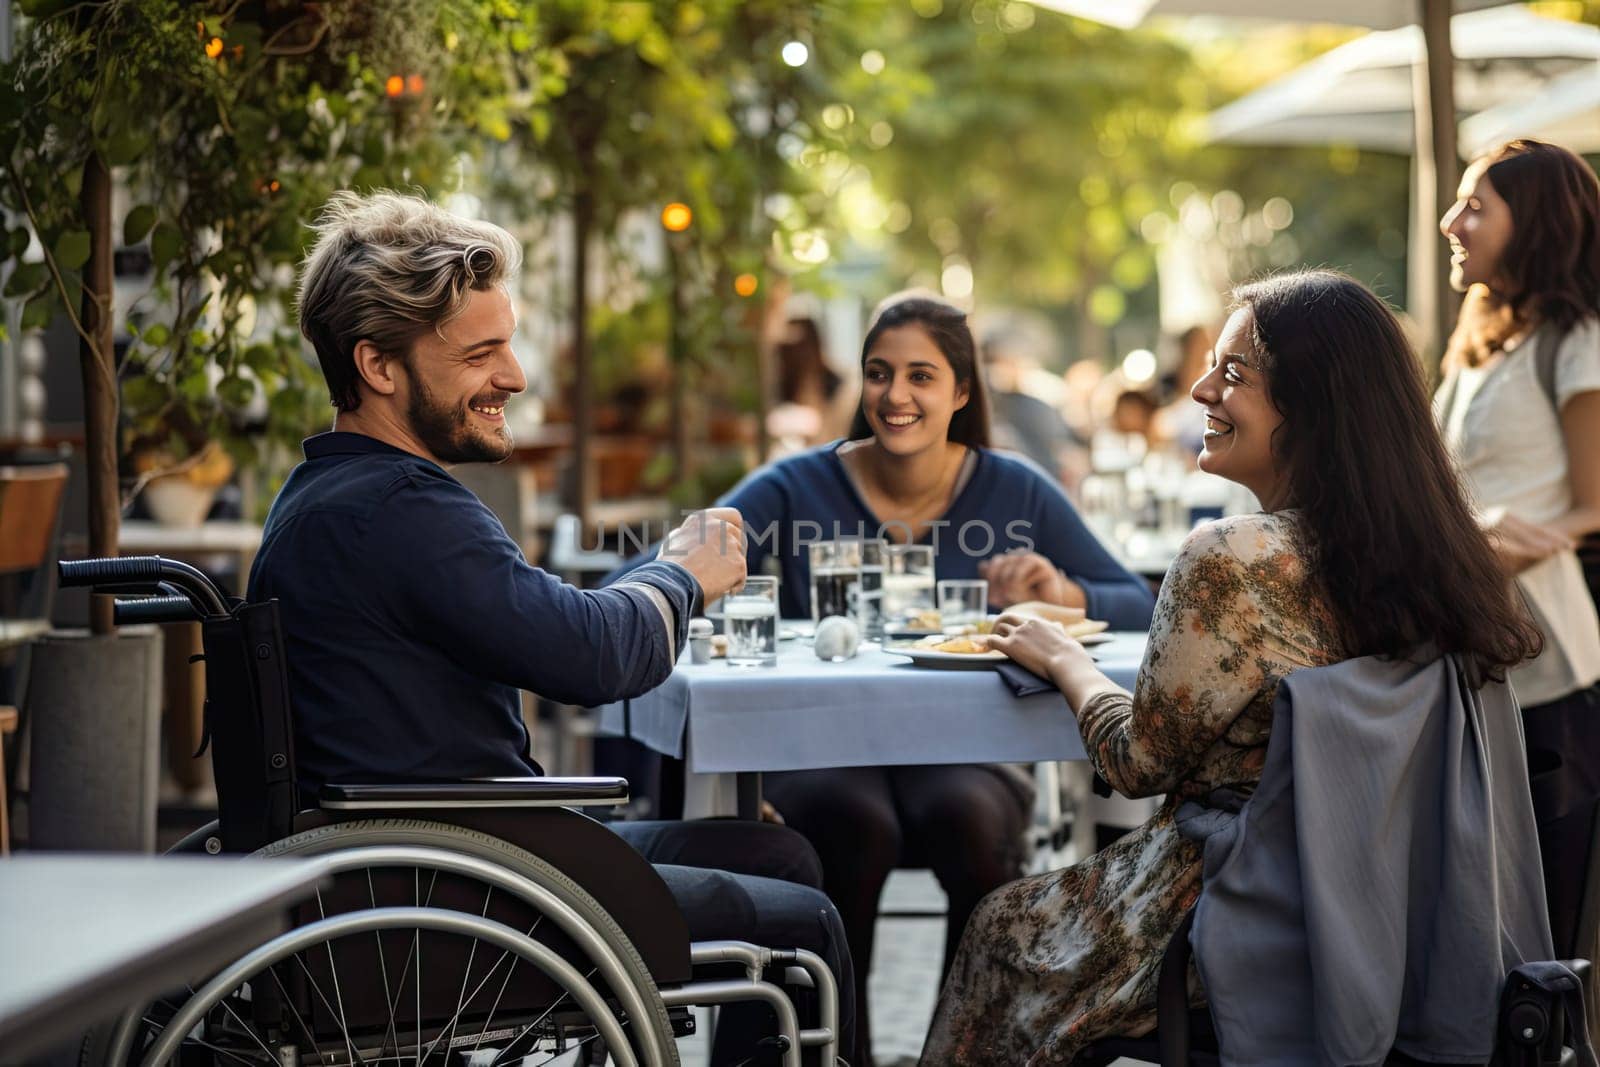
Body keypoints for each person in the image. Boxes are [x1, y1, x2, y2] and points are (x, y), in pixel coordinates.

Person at [249, 189, 854, 1065]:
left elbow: (567, 623)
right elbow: (596, 654)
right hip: (464, 893)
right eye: (483, 351)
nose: (516, 376)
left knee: (780, 852)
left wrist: (659, 574)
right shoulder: (404, 512)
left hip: (415, 863)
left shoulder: (322, 498)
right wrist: (684, 573)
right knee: (806, 924)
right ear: (378, 365)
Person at [920, 269, 1542, 1064]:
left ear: (1315, 407)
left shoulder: (1231, 559)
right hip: (1398, 916)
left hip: (1233, 908)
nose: (1201, 389)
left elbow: (1138, 762)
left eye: (1235, 374)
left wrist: (1066, 660)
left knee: (1001, 929)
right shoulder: (1445, 558)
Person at [613, 293, 1155, 1066]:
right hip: (827, 750)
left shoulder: (1014, 488)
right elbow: (654, 567)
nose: (896, 395)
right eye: (879, 373)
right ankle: (841, 1053)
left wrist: (1063, 592)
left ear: (961, 392)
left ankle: (964, 1049)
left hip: (967, 752)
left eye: (920, 376)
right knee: (851, 824)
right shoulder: (798, 485)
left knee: (970, 819)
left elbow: (1136, 597)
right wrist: (694, 578)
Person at [1436, 138, 1600, 962]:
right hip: (1463, 643)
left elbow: (1594, 503)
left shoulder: (1576, 342)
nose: (1450, 222)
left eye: (1475, 205)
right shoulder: (1476, 339)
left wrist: (1522, 542)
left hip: (1546, 658)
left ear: (1530, 220)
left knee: (1547, 912)